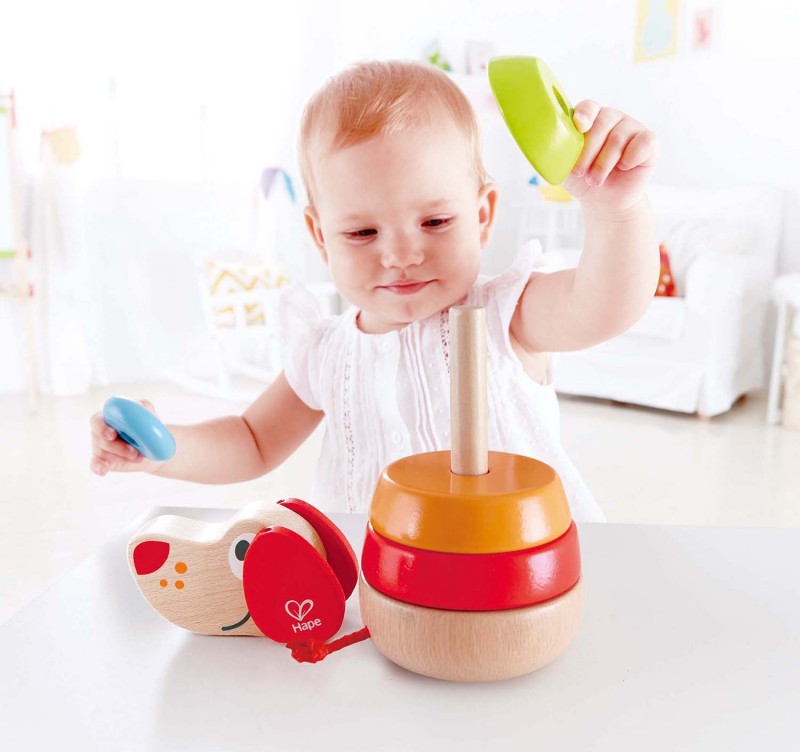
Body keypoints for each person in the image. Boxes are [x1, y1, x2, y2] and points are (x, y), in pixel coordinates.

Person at [90, 60, 659, 520]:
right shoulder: (326, 351)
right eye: (363, 232)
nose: (400, 255)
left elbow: (603, 307)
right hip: (386, 583)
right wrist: (161, 451)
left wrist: (617, 211)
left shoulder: (506, 315)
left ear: (483, 215)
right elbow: (252, 440)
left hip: (513, 571)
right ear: (321, 236)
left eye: (435, 222)